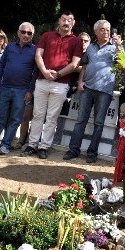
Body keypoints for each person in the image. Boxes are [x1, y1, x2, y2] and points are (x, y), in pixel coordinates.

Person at [22, 12, 83, 159]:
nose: (66, 22)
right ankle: (32, 144)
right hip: (42, 81)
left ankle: (44, 146)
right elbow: (38, 55)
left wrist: (58, 74)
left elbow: (75, 64)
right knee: (37, 115)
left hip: (60, 84)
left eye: (69, 20)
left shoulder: (77, 41)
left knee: (51, 118)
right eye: (63, 19)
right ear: (59, 21)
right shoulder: (47, 36)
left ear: (73, 23)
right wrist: (44, 71)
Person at [64, 20, 121, 163]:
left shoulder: (115, 48)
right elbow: (84, 66)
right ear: (96, 32)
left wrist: (119, 45)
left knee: (99, 123)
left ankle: (92, 152)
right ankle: (73, 149)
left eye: (108, 29)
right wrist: (80, 82)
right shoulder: (90, 47)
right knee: (80, 120)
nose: (106, 32)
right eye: (102, 29)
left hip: (105, 90)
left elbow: (123, 63)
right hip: (87, 88)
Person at [0, 22, 37, 156]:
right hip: (5, 87)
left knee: (15, 119)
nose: (26, 35)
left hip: (22, 90)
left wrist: (30, 91)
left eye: (29, 33)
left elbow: (35, 72)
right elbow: (1, 66)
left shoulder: (35, 50)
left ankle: (6, 145)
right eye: (23, 32)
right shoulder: (10, 47)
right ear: (18, 33)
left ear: (32, 35)